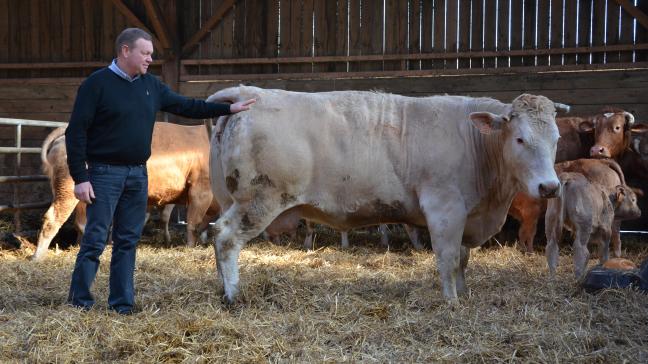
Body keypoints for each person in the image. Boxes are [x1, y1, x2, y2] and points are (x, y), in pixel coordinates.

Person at [65, 28, 255, 314]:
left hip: (138, 174)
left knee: (127, 241)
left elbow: (186, 106)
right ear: (125, 51)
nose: (150, 59)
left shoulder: (150, 85)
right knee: (95, 239)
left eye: (151, 54)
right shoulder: (97, 84)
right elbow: (76, 132)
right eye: (145, 53)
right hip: (104, 173)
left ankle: (121, 304)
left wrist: (227, 109)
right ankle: (79, 301)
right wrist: (81, 177)